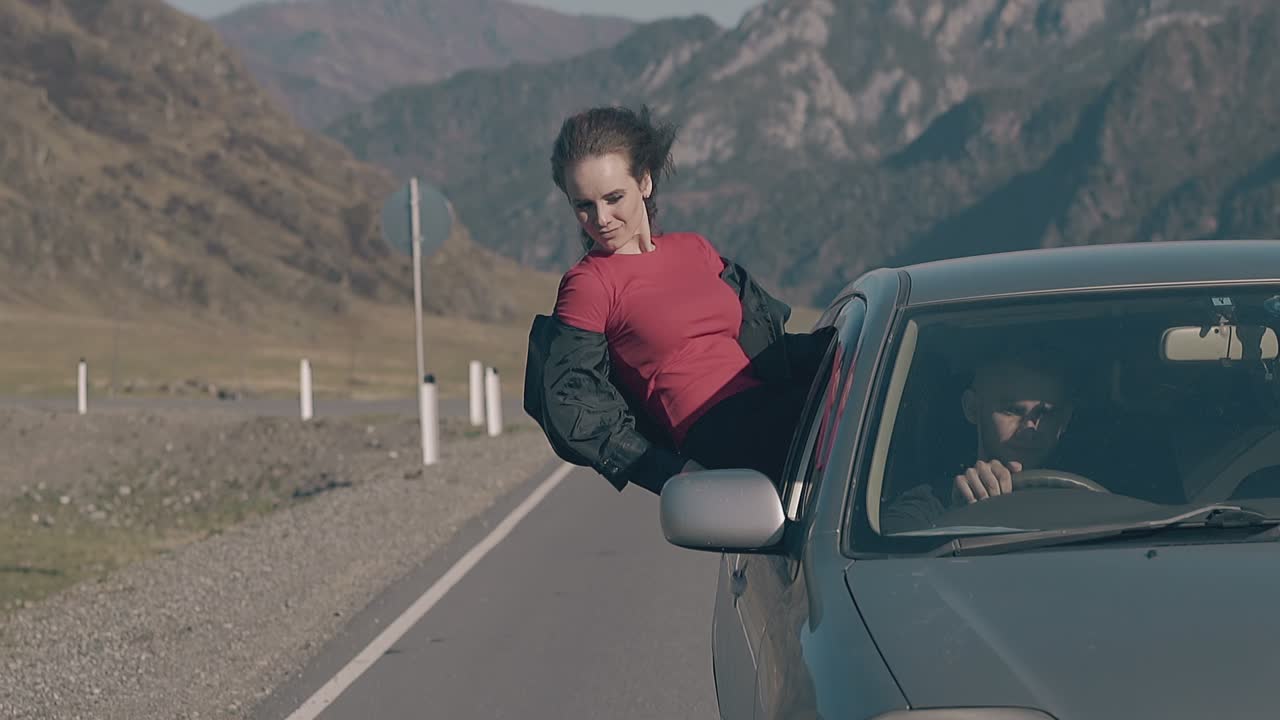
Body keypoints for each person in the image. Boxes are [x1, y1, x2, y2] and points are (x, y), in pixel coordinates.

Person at [523, 105, 832, 495]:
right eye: (583, 205)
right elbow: (569, 400)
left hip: (770, 401)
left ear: (645, 183)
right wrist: (669, 471)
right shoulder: (589, 284)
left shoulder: (696, 249)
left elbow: (772, 348)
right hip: (717, 429)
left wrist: (847, 347)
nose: (600, 218)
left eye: (613, 197)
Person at [880, 346, 1077, 532]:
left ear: (1065, 420)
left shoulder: (1093, 507)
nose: (1030, 428)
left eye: (1045, 413)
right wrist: (960, 515)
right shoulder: (929, 510)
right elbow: (888, 548)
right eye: (1013, 410)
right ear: (972, 408)